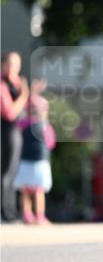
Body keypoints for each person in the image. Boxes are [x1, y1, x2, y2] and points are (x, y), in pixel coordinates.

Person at [14, 78, 55, 225]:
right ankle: (26, 214)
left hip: (40, 161)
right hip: (26, 159)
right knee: (25, 190)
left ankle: (39, 215)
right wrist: (32, 92)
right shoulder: (24, 123)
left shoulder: (44, 125)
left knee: (38, 190)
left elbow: (50, 143)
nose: (36, 110)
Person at [1, 51, 30, 221]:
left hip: (16, 131)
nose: (15, 68)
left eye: (17, 64)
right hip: (5, 131)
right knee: (5, 173)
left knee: (12, 172)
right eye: (11, 64)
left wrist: (27, 91)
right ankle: (5, 212)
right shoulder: (2, 84)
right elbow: (10, 112)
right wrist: (25, 94)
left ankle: (10, 211)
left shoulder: (16, 84)